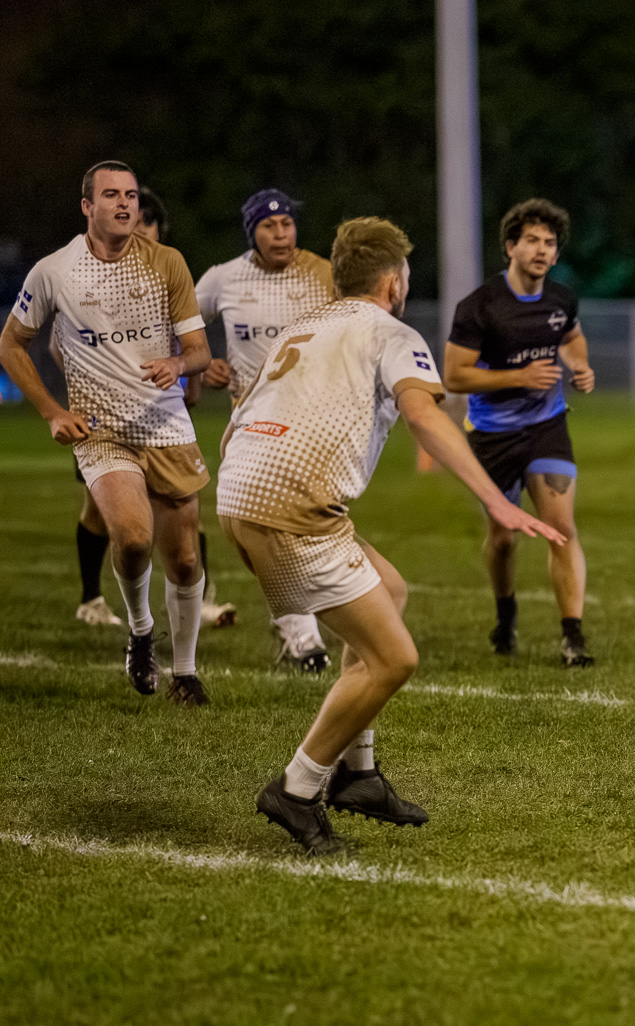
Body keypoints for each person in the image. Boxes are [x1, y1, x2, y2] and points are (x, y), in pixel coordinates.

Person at [217, 216, 563, 855]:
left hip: (241, 491)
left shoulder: (303, 326)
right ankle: (297, 789)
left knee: (390, 591)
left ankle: (360, 775)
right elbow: (424, 414)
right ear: (393, 282)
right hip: (292, 506)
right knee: (394, 659)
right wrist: (497, 501)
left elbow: (241, 416)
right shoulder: (388, 330)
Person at [1, 161, 215, 703]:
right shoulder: (54, 271)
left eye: (131, 195)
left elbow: (199, 351)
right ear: (87, 206)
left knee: (185, 559)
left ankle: (185, 673)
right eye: (112, 195)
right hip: (101, 430)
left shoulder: (167, 262)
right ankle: (141, 632)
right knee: (134, 537)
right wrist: (52, 411)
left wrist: (177, 363)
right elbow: (11, 344)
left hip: (166, 424)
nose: (125, 203)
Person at [443, 198, 596, 667]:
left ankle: (573, 637)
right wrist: (519, 376)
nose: (541, 249)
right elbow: (455, 376)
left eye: (549, 243)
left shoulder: (561, 299)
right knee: (504, 538)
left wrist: (579, 365)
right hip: (493, 435)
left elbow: (571, 336)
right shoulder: (480, 307)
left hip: (547, 426)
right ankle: (505, 613)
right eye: (531, 240)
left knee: (561, 529)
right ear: (510, 247)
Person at [196, 188, 338, 669]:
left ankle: (297, 622)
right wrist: (202, 365)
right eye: (269, 226)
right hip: (253, 424)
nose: (281, 234)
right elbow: (179, 325)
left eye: (287, 224)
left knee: (301, 532)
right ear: (251, 233)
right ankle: (303, 635)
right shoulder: (224, 278)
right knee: (270, 528)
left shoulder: (324, 275)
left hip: (315, 424)